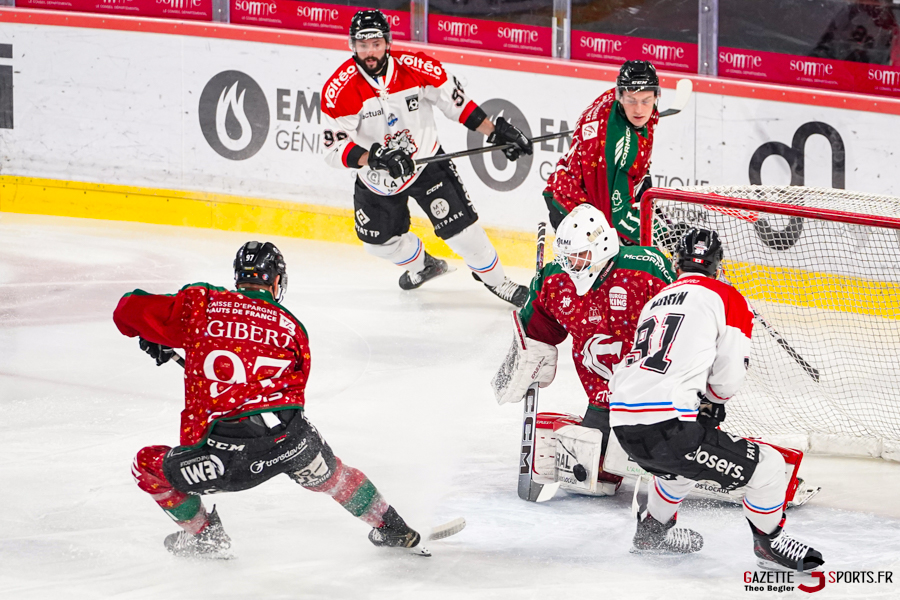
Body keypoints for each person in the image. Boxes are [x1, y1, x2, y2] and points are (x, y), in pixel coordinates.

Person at [114, 241, 428, 558]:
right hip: (294, 441)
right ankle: (392, 527)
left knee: (146, 465)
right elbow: (292, 385)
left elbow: (126, 309)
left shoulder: (204, 305)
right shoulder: (292, 327)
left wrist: (157, 335)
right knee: (334, 477)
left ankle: (206, 536)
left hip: (227, 459)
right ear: (277, 281)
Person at [608, 228, 824, 571]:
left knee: (678, 469)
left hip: (622, 425)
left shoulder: (656, 300)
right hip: (668, 428)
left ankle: (652, 532)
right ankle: (769, 544)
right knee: (768, 466)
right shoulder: (726, 296)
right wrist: (713, 400)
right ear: (718, 266)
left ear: (676, 264)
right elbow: (727, 378)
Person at [322, 9, 533, 307]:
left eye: (376, 44)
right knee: (377, 244)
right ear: (352, 45)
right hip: (376, 177)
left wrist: (494, 132)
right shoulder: (339, 89)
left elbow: (456, 104)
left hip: (426, 165)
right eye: (363, 45)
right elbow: (333, 149)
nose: (370, 52)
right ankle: (424, 265)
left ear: (388, 43)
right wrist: (376, 158)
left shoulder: (417, 67)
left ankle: (499, 282)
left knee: (464, 234)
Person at [492, 204, 674, 494]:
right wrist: (528, 351)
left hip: (656, 396)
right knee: (593, 481)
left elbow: (685, 320)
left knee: (670, 469)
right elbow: (536, 332)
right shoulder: (555, 280)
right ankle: (584, 431)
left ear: (602, 247)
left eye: (578, 255)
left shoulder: (645, 269)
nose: (570, 264)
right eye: (566, 256)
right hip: (603, 398)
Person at [543, 60, 660, 245]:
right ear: (620, 96)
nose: (639, 109)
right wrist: (665, 235)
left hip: (581, 186)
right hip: (574, 211)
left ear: (656, 96)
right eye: (632, 100)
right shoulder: (617, 148)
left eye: (646, 100)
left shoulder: (617, 101)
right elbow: (618, 218)